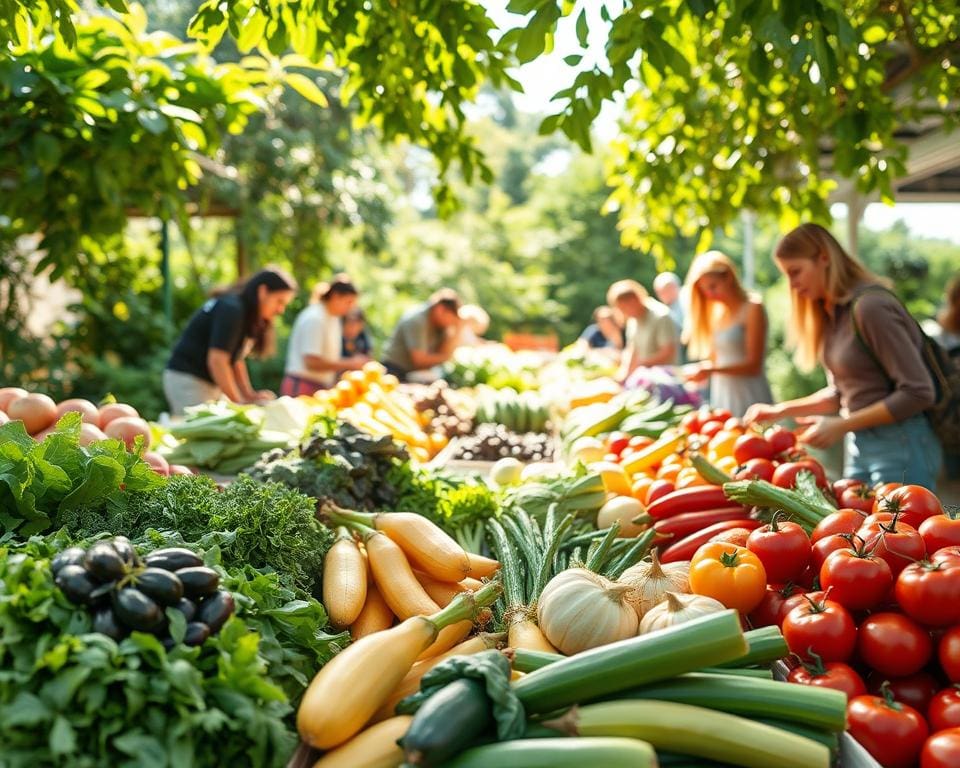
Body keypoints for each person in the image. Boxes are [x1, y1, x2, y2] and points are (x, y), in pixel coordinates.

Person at [744, 223, 941, 488]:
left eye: (796, 272)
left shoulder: (870, 308)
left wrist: (840, 425)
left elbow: (918, 392)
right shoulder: (833, 313)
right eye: (786, 276)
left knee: (895, 528)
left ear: (824, 258)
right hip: (860, 445)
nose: (792, 285)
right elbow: (842, 394)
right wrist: (780, 411)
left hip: (901, 444)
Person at [164, 267, 297, 415]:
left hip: (208, 383)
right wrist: (239, 402)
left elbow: (235, 358)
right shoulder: (232, 308)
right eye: (279, 301)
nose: (281, 310)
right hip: (189, 380)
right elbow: (218, 360)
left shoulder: (243, 311)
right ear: (263, 291)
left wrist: (248, 395)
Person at [681, 251, 772, 418]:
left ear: (728, 277)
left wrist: (710, 369)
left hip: (749, 392)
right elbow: (717, 360)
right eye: (704, 291)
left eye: (713, 286)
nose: (709, 295)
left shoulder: (752, 308)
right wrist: (701, 371)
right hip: (722, 392)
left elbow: (754, 366)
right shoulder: (717, 314)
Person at [282, 275, 368, 396]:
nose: (350, 308)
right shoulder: (315, 318)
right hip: (302, 385)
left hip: (318, 386)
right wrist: (350, 363)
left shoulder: (333, 319)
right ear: (335, 296)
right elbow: (311, 362)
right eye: (348, 302)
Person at [381, 288, 463, 381]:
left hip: (413, 372)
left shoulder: (440, 325)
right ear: (441, 310)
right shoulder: (417, 320)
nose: (451, 323)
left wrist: (458, 329)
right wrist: (446, 357)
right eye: (451, 319)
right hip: (395, 371)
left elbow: (444, 351)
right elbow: (420, 361)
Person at [607, 279, 678, 382]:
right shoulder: (633, 319)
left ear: (635, 299)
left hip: (666, 379)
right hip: (644, 377)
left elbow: (668, 352)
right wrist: (624, 373)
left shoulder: (661, 316)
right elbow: (633, 349)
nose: (623, 312)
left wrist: (640, 365)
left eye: (624, 308)